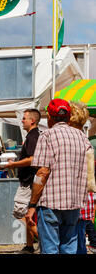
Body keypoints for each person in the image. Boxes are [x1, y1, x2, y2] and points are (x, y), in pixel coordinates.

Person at [25, 99, 92, 254]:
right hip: (74, 204)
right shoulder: (82, 137)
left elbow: (42, 172)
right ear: (68, 117)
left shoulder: (47, 135)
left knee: (50, 249)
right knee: (69, 248)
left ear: (49, 117)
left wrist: (32, 205)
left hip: (51, 202)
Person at [6, 108, 41, 254]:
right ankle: (29, 246)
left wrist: (13, 164)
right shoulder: (32, 136)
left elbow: (33, 159)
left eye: (24, 118)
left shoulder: (33, 136)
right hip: (29, 182)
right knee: (27, 214)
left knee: (21, 213)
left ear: (32, 121)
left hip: (29, 183)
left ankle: (48, 243)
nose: (22, 121)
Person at [68, 101, 96, 254]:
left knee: (77, 240)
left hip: (77, 197)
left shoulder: (76, 141)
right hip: (87, 196)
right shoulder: (85, 141)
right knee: (78, 237)